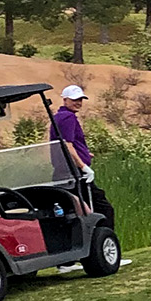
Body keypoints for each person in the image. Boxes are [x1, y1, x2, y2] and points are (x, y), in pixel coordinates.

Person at [49, 84, 115, 229]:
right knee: (104, 210)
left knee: (80, 209)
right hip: (74, 172)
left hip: (64, 171)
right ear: (65, 100)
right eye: (74, 100)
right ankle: (105, 243)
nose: (78, 103)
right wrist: (84, 166)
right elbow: (67, 145)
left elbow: (68, 144)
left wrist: (85, 153)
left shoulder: (58, 117)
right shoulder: (68, 117)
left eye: (80, 99)